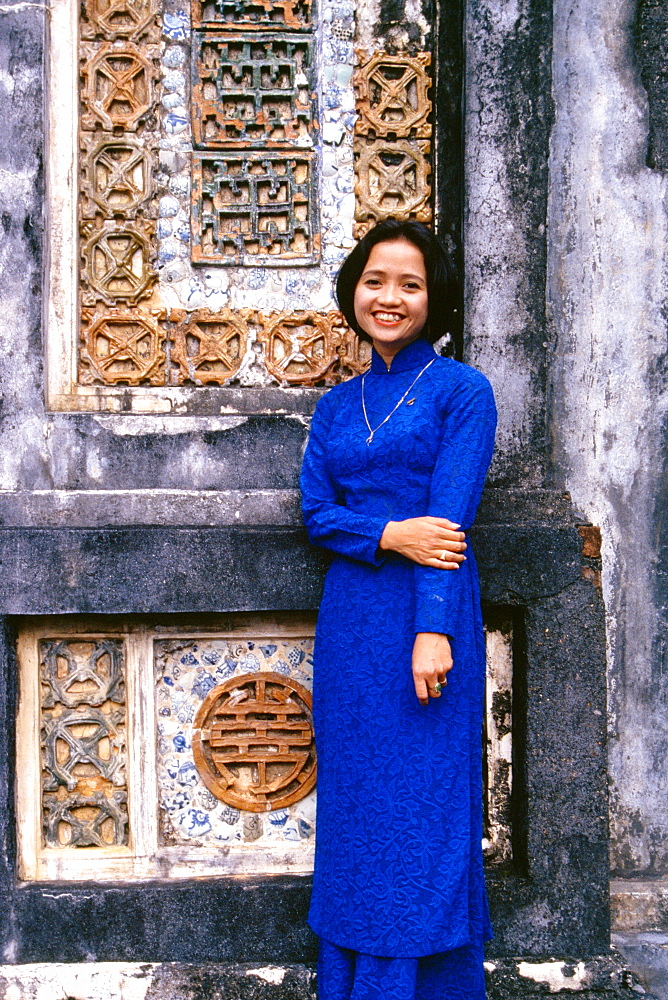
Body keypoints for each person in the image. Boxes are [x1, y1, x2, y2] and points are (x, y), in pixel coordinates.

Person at [300, 217, 497, 1000]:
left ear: (433, 299)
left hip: (426, 621)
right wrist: (388, 530)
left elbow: (447, 529)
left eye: (409, 284)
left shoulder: (463, 390)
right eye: (376, 281)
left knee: (421, 811)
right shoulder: (336, 407)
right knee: (358, 812)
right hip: (352, 620)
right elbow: (317, 514)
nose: (390, 297)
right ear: (354, 290)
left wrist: (432, 631)